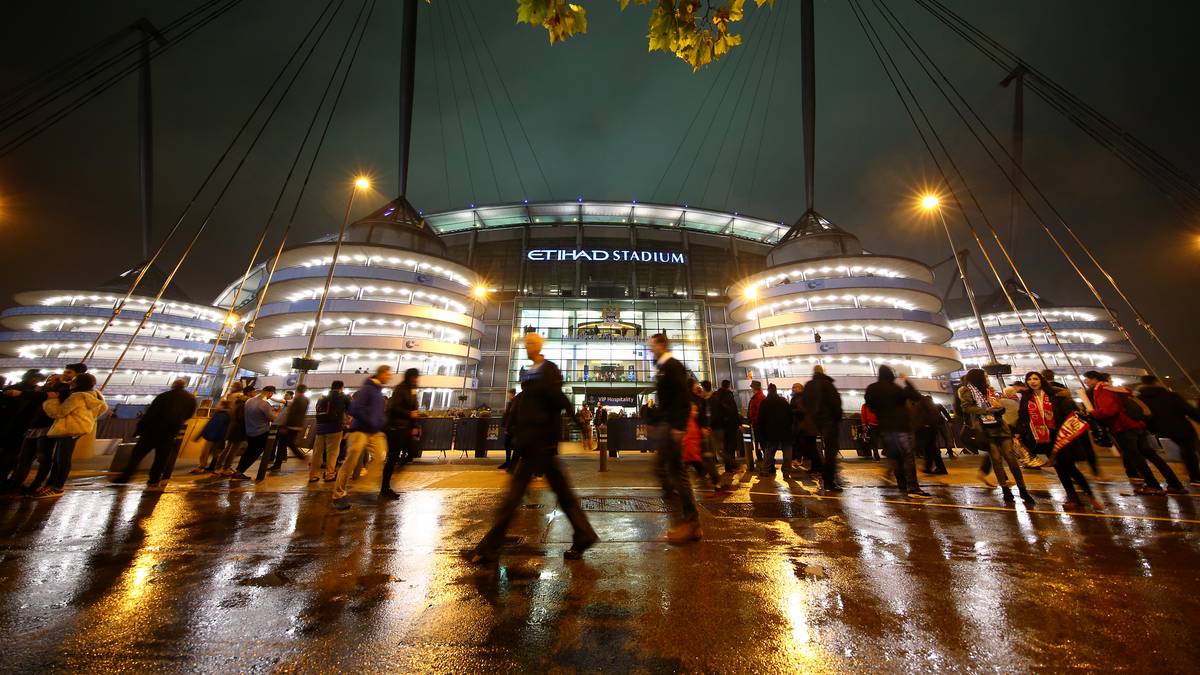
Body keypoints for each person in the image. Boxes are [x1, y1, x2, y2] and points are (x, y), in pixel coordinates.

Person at [464, 333, 597, 562]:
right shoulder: (529, 372)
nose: (527, 347)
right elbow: (524, 404)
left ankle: (488, 548)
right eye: (526, 344)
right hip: (530, 444)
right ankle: (584, 534)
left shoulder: (548, 370)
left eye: (531, 344)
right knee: (558, 494)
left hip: (541, 444)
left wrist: (581, 429)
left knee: (514, 499)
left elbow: (561, 401)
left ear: (539, 346)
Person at [1086, 370, 1186, 495]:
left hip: (1123, 427)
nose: (1086, 381)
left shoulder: (1102, 389)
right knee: (1152, 456)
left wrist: (1093, 413)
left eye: (1087, 379)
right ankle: (1175, 484)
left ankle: (1152, 485)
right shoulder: (1116, 388)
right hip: (1137, 424)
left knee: (1136, 458)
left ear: (1095, 379)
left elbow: (1109, 410)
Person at [644, 333, 702, 543]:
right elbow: (665, 401)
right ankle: (688, 522)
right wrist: (654, 421)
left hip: (673, 427)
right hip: (667, 425)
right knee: (665, 471)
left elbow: (681, 397)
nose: (650, 348)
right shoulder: (661, 368)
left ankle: (690, 522)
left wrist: (679, 426)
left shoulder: (672, 366)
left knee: (676, 473)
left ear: (661, 345)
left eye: (652, 345)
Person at [1016, 371, 1101, 510]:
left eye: (1035, 378)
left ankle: (1089, 495)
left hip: (1060, 435)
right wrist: (1019, 432)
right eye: (1029, 379)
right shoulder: (1026, 397)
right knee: (1060, 469)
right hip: (1044, 438)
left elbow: (1067, 413)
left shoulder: (1054, 395)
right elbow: (1023, 417)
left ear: (1041, 380)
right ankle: (1073, 497)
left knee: (1069, 467)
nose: (1032, 381)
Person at [957, 368, 1035, 505]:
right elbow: (966, 407)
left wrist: (999, 407)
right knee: (996, 460)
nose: (987, 378)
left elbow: (1001, 408)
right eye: (985, 376)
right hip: (985, 428)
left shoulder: (990, 390)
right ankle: (1005, 489)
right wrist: (985, 409)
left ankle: (1023, 489)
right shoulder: (966, 390)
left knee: (1011, 458)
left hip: (1000, 426)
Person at [865, 366, 931, 499]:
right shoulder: (895, 388)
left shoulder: (872, 389)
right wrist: (907, 381)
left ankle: (902, 483)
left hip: (884, 427)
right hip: (901, 426)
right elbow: (916, 396)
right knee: (907, 457)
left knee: (895, 457)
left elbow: (869, 405)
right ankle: (912, 487)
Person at [117, 379, 196, 488]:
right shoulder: (190, 399)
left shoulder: (163, 396)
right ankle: (154, 479)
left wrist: (140, 428)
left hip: (153, 430)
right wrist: (178, 422)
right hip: (170, 432)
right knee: (161, 458)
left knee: (137, 455)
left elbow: (151, 413)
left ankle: (126, 476)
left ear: (174, 385)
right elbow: (189, 414)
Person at [332, 366, 392, 510]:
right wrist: (371, 421)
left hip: (375, 431)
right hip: (360, 430)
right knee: (351, 461)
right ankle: (338, 495)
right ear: (382, 373)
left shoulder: (378, 391)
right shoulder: (368, 389)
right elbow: (354, 408)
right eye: (388, 374)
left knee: (380, 456)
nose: (389, 377)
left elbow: (378, 412)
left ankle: (365, 489)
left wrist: (381, 422)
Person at [40, 372, 108, 498]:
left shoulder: (77, 396)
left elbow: (59, 412)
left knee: (62, 459)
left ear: (78, 383)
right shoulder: (95, 396)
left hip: (68, 428)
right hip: (78, 429)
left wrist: (51, 400)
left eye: (74, 381)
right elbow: (102, 409)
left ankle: (58, 487)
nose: (71, 382)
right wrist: (87, 419)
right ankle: (53, 485)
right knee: (60, 458)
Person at [1137, 375, 1200, 487]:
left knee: (1185, 450)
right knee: (1189, 450)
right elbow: (1188, 409)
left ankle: (1191, 474)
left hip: (1164, 429)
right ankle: (1195, 477)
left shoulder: (1141, 399)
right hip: (1182, 427)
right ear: (1156, 382)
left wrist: (1153, 429)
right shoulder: (1169, 395)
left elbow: (1146, 415)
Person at [0, 369, 45, 487]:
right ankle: (4, 478)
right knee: (10, 454)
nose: (35, 380)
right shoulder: (17, 390)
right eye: (34, 378)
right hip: (14, 426)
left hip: (21, 426)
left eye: (38, 378)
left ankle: (9, 479)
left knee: (14, 454)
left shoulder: (36, 392)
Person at [803, 365, 844, 492]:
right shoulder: (827, 384)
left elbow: (805, 403)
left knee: (821, 450)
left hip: (816, 422)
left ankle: (825, 476)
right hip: (829, 421)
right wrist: (837, 417)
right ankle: (829, 481)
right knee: (831, 451)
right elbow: (836, 402)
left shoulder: (809, 386)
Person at [382, 368, 419, 498]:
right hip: (396, 427)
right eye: (414, 377)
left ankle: (392, 477)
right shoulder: (400, 389)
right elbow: (393, 408)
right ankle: (385, 487)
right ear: (409, 377)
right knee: (393, 457)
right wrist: (409, 414)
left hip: (406, 427)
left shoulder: (412, 389)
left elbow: (414, 407)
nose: (416, 379)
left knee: (410, 453)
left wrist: (414, 425)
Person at [232, 386, 277, 480]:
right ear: (269, 392)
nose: (271, 395)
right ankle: (240, 472)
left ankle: (238, 471)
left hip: (249, 431)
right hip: (261, 432)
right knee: (254, 453)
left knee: (248, 452)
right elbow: (272, 418)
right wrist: (277, 413)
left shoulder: (249, 401)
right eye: (272, 393)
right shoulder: (264, 404)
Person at [309, 380, 349, 483]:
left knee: (317, 452)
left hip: (320, 428)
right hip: (335, 428)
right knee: (332, 452)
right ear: (341, 387)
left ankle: (313, 475)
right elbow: (350, 410)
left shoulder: (323, 397)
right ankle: (329, 474)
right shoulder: (343, 397)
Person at [213, 384, 252, 475]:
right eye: (253, 392)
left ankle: (219, 467)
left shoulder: (236, 402)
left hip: (233, 427)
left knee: (228, 448)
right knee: (233, 449)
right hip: (238, 429)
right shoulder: (243, 404)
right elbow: (241, 417)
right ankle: (225, 467)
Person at [757, 383, 794, 478]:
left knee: (769, 451)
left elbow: (761, 419)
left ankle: (765, 469)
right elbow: (791, 416)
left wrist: (762, 431)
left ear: (768, 391)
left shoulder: (764, 403)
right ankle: (786, 471)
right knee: (787, 451)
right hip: (785, 431)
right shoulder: (783, 402)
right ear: (776, 391)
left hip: (771, 431)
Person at [710, 380, 742, 484]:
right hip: (730, 425)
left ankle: (728, 466)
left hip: (721, 426)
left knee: (724, 446)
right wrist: (738, 423)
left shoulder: (717, 396)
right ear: (728, 386)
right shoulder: (729, 396)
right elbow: (733, 411)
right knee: (730, 446)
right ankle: (731, 465)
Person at [270, 385, 308, 470]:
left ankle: (301, 457)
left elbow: (292, 414)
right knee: (285, 444)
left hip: (290, 426)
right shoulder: (305, 400)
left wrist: (285, 426)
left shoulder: (297, 400)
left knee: (284, 444)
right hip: (296, 426)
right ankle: (279, 463)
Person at [192, 399, 231, 474]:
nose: (217, 405)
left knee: (205, 453)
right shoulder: (226, 415)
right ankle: (212, 467)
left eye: (219, 404)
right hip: (218, 438)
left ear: (223, 405)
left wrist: (200, 435)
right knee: (215, 453)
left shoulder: (220, 415)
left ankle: (202, 467)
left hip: (212, 437)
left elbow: (209, 426)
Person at [914, 394, 947, 475]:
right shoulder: (920, 402)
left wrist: (927, 424)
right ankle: (931, 468)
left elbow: (933, 413)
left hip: (928, 428)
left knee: (931, 448)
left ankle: (939, 469)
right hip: (927, 427)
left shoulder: (923, 401)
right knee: (929, 449)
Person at [747, 380, 765, 465]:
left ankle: (763, 458)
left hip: (758, 423)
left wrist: (754, 419)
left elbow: (758, 411)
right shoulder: (758, 396)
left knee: (760, 440)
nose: (751, 388)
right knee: (759, 440)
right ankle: (761, 457)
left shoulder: (759, 397)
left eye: (752, 387)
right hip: (757, 423)